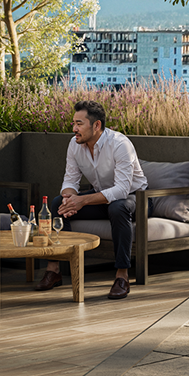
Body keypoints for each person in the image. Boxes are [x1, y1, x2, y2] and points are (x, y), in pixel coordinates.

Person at [36, 98, 147, 300]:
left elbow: (122, 189)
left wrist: (83, 201)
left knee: (117, 208)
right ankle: (55, 269)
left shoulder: (120, 144)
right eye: (73, 123)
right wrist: (69, 199)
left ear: (96, 125)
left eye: (79, 124)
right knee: (56, 204)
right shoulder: (74, 145)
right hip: (101, 196)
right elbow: (70, 180)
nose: (74, 129)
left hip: (134, 198)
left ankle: (122, 276)